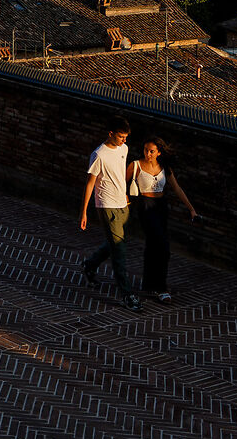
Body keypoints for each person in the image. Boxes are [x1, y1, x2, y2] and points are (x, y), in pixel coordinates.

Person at [127, 136, 199, 303]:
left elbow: (177, 188)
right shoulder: (136, 165)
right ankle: (161, 288)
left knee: (154, 246)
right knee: (162, 246)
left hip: (161, 206)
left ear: (159, 152)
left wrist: (191, 209)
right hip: (145, 206)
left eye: (152, 151)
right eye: (146, 150)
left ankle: (150, 284)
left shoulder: (165, 167)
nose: (148, 154)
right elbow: (122, 183)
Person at [79, 119, 138, 310]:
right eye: (120, 136)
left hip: (123, 204)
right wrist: (84, 212)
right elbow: (90, 184)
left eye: (126, 137)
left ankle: (89, 265)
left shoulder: (124, 149)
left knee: (116, 243)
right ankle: (127, 295)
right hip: (107, 206)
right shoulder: (98, 155)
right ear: (111, 133)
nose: (123, 140)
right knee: (119, 252)